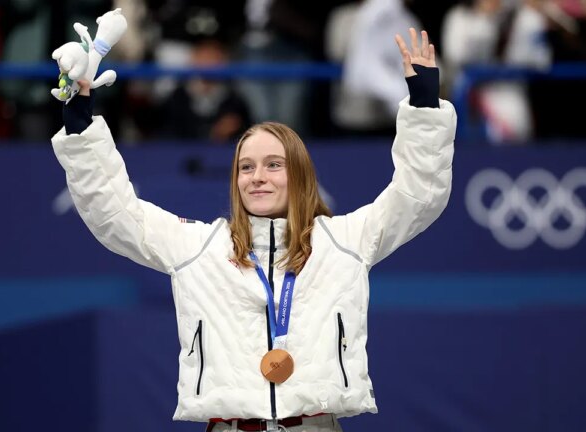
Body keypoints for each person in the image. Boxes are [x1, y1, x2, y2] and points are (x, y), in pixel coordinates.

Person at [51, 27, 456, 432]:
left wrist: (423, 105)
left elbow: (418, 196)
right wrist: (78, 109)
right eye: (246, 167)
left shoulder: (344, 241)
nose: (257, 177)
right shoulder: (201, 247)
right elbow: (114, 212)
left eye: (273, 165)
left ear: (298, 174)